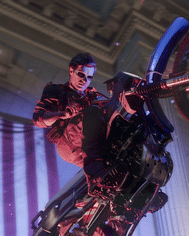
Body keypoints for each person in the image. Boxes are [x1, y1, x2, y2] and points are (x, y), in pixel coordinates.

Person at [32, 52, 128, 195]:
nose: (85, 80)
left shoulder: (93, 95)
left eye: (89, 77)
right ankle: (95, 175)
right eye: (81, 75)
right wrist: (62, 114)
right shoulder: (56, 90)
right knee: (93, 112)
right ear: (71, 71)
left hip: (95, 140)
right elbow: (37, 119)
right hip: (69, 141)